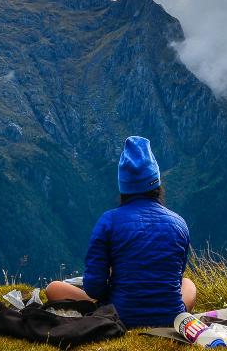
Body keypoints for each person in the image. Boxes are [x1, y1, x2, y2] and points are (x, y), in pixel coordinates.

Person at [46, 136, 196, 328]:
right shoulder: (179, 223)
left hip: (120, 316)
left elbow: (94, 288)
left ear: (123, 186)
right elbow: (175, 278)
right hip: (171, 316)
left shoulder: (109, 221)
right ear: (157, 183)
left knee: (54, 288)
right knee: (188, 283)